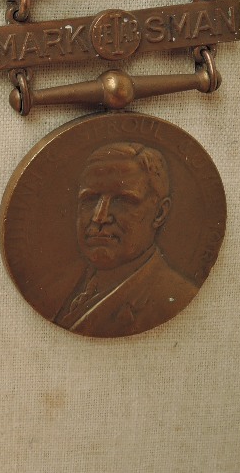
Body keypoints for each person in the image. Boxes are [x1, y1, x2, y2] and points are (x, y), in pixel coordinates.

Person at [54, 142, 199, 337]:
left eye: (123, 201)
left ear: (160, 213)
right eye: (90, 199)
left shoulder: (174, 296)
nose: (100, 216)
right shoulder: (70, 285)